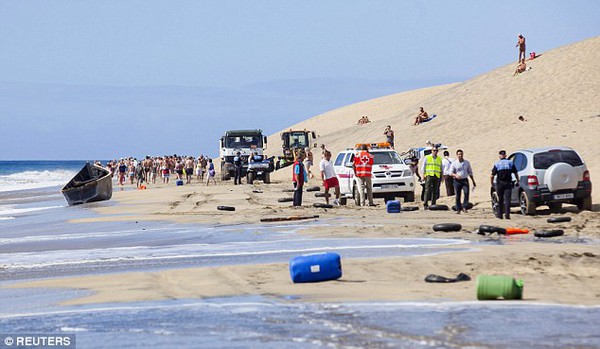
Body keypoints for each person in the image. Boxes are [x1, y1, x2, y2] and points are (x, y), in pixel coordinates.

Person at [491, 150, 518, 219]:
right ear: (505, 155)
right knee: (508, 199)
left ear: (500, 156)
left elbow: (492, 175)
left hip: (500, 183)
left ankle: (500, 215)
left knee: (500, 199)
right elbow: (515, 172)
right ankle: (507, 215)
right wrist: (518, 180)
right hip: (508, 183)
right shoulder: (510, 163)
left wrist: (492, 183)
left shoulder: (497, 164)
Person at [450, 149, 476, 214]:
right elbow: (450, 172)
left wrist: (473, 181)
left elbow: (470, 172)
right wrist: (456, 175)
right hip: (457, 181)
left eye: (461, 154)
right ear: (457, 155)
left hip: (465, 180)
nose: (460, 155)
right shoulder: (454, 163)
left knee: (466, 193)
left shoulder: (467, 162)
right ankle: (458, 208)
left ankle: (464, 207)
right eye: (459, 154)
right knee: (458, 195)